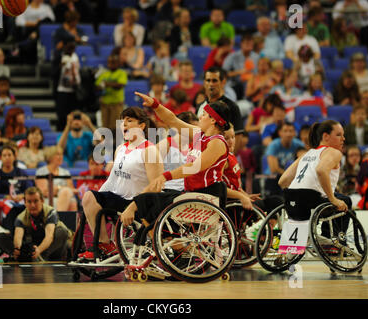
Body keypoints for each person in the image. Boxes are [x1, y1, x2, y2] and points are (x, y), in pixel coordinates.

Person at [120, 93, 232, 231]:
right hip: (191, 193)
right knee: (147, 201)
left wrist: (165, 176)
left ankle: (170, 245)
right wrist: (155, 105)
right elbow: (172, 120)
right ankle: (166, 244)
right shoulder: (199, 134)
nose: (200, 117)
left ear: (213, 120)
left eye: (203, 115)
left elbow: (194, 167)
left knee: (150, 201)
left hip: (208, 195)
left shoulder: (217, 143)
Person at [78, 107, 163, 259]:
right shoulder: (120, 149)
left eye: (129, 121)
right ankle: (106, 245)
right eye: (123, 121)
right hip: (120, 199)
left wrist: (133, 206)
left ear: (142, 126)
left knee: (92, 198)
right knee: (89, 197)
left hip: (139, 204)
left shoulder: (150, 150)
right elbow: (112, 180)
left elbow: (156, 187)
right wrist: (93, 202)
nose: (124, 124)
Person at [278, 120, 350, 224]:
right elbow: (321, 170)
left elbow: (283, 181)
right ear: (326, 136)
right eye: (339, 135)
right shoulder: (334, 152)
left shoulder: (306, 154)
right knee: (346, 201)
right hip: (312, 200)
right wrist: (332, 198)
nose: (343, 139)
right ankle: (331, 237)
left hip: (291, 200)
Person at [0, 187, 72, 262]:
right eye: (29, 202)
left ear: (42, 200)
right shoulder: (21, 217)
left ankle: (41, 257)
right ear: (25, 203)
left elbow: (49, 237)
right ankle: (24, 257)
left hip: (52, 248)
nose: (32, 205)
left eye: (36, 201)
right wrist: (16, 250)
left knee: (62, 231)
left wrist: (39, 250)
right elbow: (18, 237)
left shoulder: (50, 212)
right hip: (34, 246)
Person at [196, 67, 244, 154]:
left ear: (223, 82)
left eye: (214, 80)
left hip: (223, 157)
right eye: (208, 80)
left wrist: (229, 158)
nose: (211, 84)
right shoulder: (199, 106)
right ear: (204, 83)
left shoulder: (232, 107)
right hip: (203, 156)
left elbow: (238, 136)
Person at [0, 144, 34, 219]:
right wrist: (6, 197)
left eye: (9, 155)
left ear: (14, 157)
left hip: (20, 199)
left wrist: (22, 195)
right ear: (0, 158)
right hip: (4, 200)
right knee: (9, 206)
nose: (7, 158)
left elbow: (29, 189)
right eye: (4, 155)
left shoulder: (21, 173)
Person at [35, 146, 78, 212]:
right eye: (58, 154)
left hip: (65, 198)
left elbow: (72, 190)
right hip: (48, 199)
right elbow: (44, 192)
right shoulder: (41, 172)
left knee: (71, 199)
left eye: (61, 154)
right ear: (50, 156)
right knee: (68, 197)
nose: (61, 157)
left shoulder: (65, 172)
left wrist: (58, 188)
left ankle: (56, 219)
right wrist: (63, 189)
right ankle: (58, 219)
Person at [95, 54, 128, 132]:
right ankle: (107, 143)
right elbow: (97, 86)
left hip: (116, 104)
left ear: (118, 63)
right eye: (109, 62)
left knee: (116, 127)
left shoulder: (121, 73)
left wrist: (107, 84)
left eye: (113, 62)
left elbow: (120, 85)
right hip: (105, 104)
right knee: (105, 127)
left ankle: (116, 143)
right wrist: (101, 87)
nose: (111, 64)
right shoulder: (104, 73)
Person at [54, 41, 81, 131]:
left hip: (73, 91)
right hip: (61, 90)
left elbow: (77, 73)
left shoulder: (75, 58)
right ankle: (60, 133)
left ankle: (71, 133)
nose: (70, 50)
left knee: (72, 116)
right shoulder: (59, 57)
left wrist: (76, 82)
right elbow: (52, 73)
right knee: (61, 115)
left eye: (72, 48)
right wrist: (60, 66)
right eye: (68, 48)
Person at [223, 33, 260, 99]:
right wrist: (239, 72)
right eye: (246, 43)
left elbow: (260, 73)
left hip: (253, 85)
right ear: (241, 44)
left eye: (251, 44)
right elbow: (223, 73)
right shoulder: (232, 56)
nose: (249, 46)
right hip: (236, 84)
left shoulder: (257, 57)